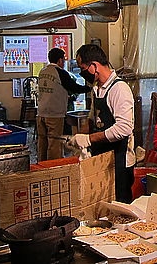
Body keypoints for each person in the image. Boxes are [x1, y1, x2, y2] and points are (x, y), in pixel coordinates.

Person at [70, 44, 136, 203]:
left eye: (83, 68)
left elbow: (124, 128)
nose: (82, 72)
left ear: (94, 66)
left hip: (119, 160)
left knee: (119, 205)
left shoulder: (119, 89)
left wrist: (89, 139)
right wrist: (80, 140)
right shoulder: (96, 89)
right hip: (100, 158)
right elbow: (93, 118)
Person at [37, 47, 91, 162]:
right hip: (54, 114)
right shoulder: (60, 72)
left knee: (42, 142)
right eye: (64, 60)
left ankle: (41, 164)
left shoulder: (42, 71)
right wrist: (89, 88)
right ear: (60, 60)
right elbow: (74, 87)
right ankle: (54, 166)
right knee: (54, 142)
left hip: (40, 113)